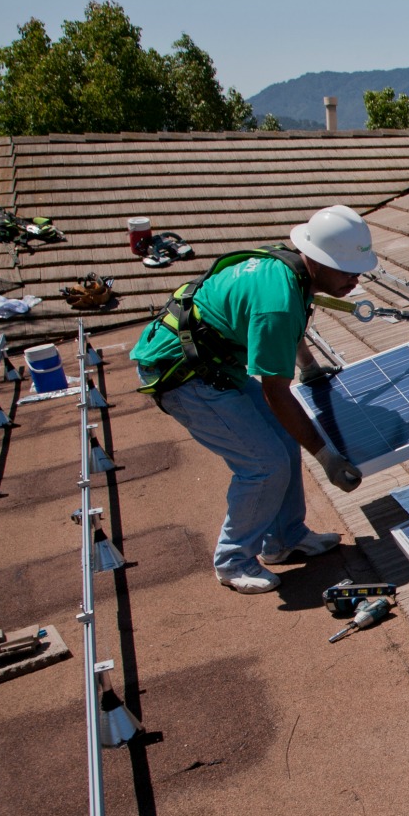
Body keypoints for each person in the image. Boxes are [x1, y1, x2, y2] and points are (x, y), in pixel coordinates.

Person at [130, 205, 372, 593]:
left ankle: (284, 541)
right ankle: (233, 561)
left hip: (213, 362)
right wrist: (326, 457)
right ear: (317, 260)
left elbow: (293, 328)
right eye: (345, 270)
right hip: (183, 374)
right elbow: (276, 392)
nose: (355, 280)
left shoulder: (293, 269)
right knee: (264, 464)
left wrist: (308, 367)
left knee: (283, 442)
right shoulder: (276, 301)